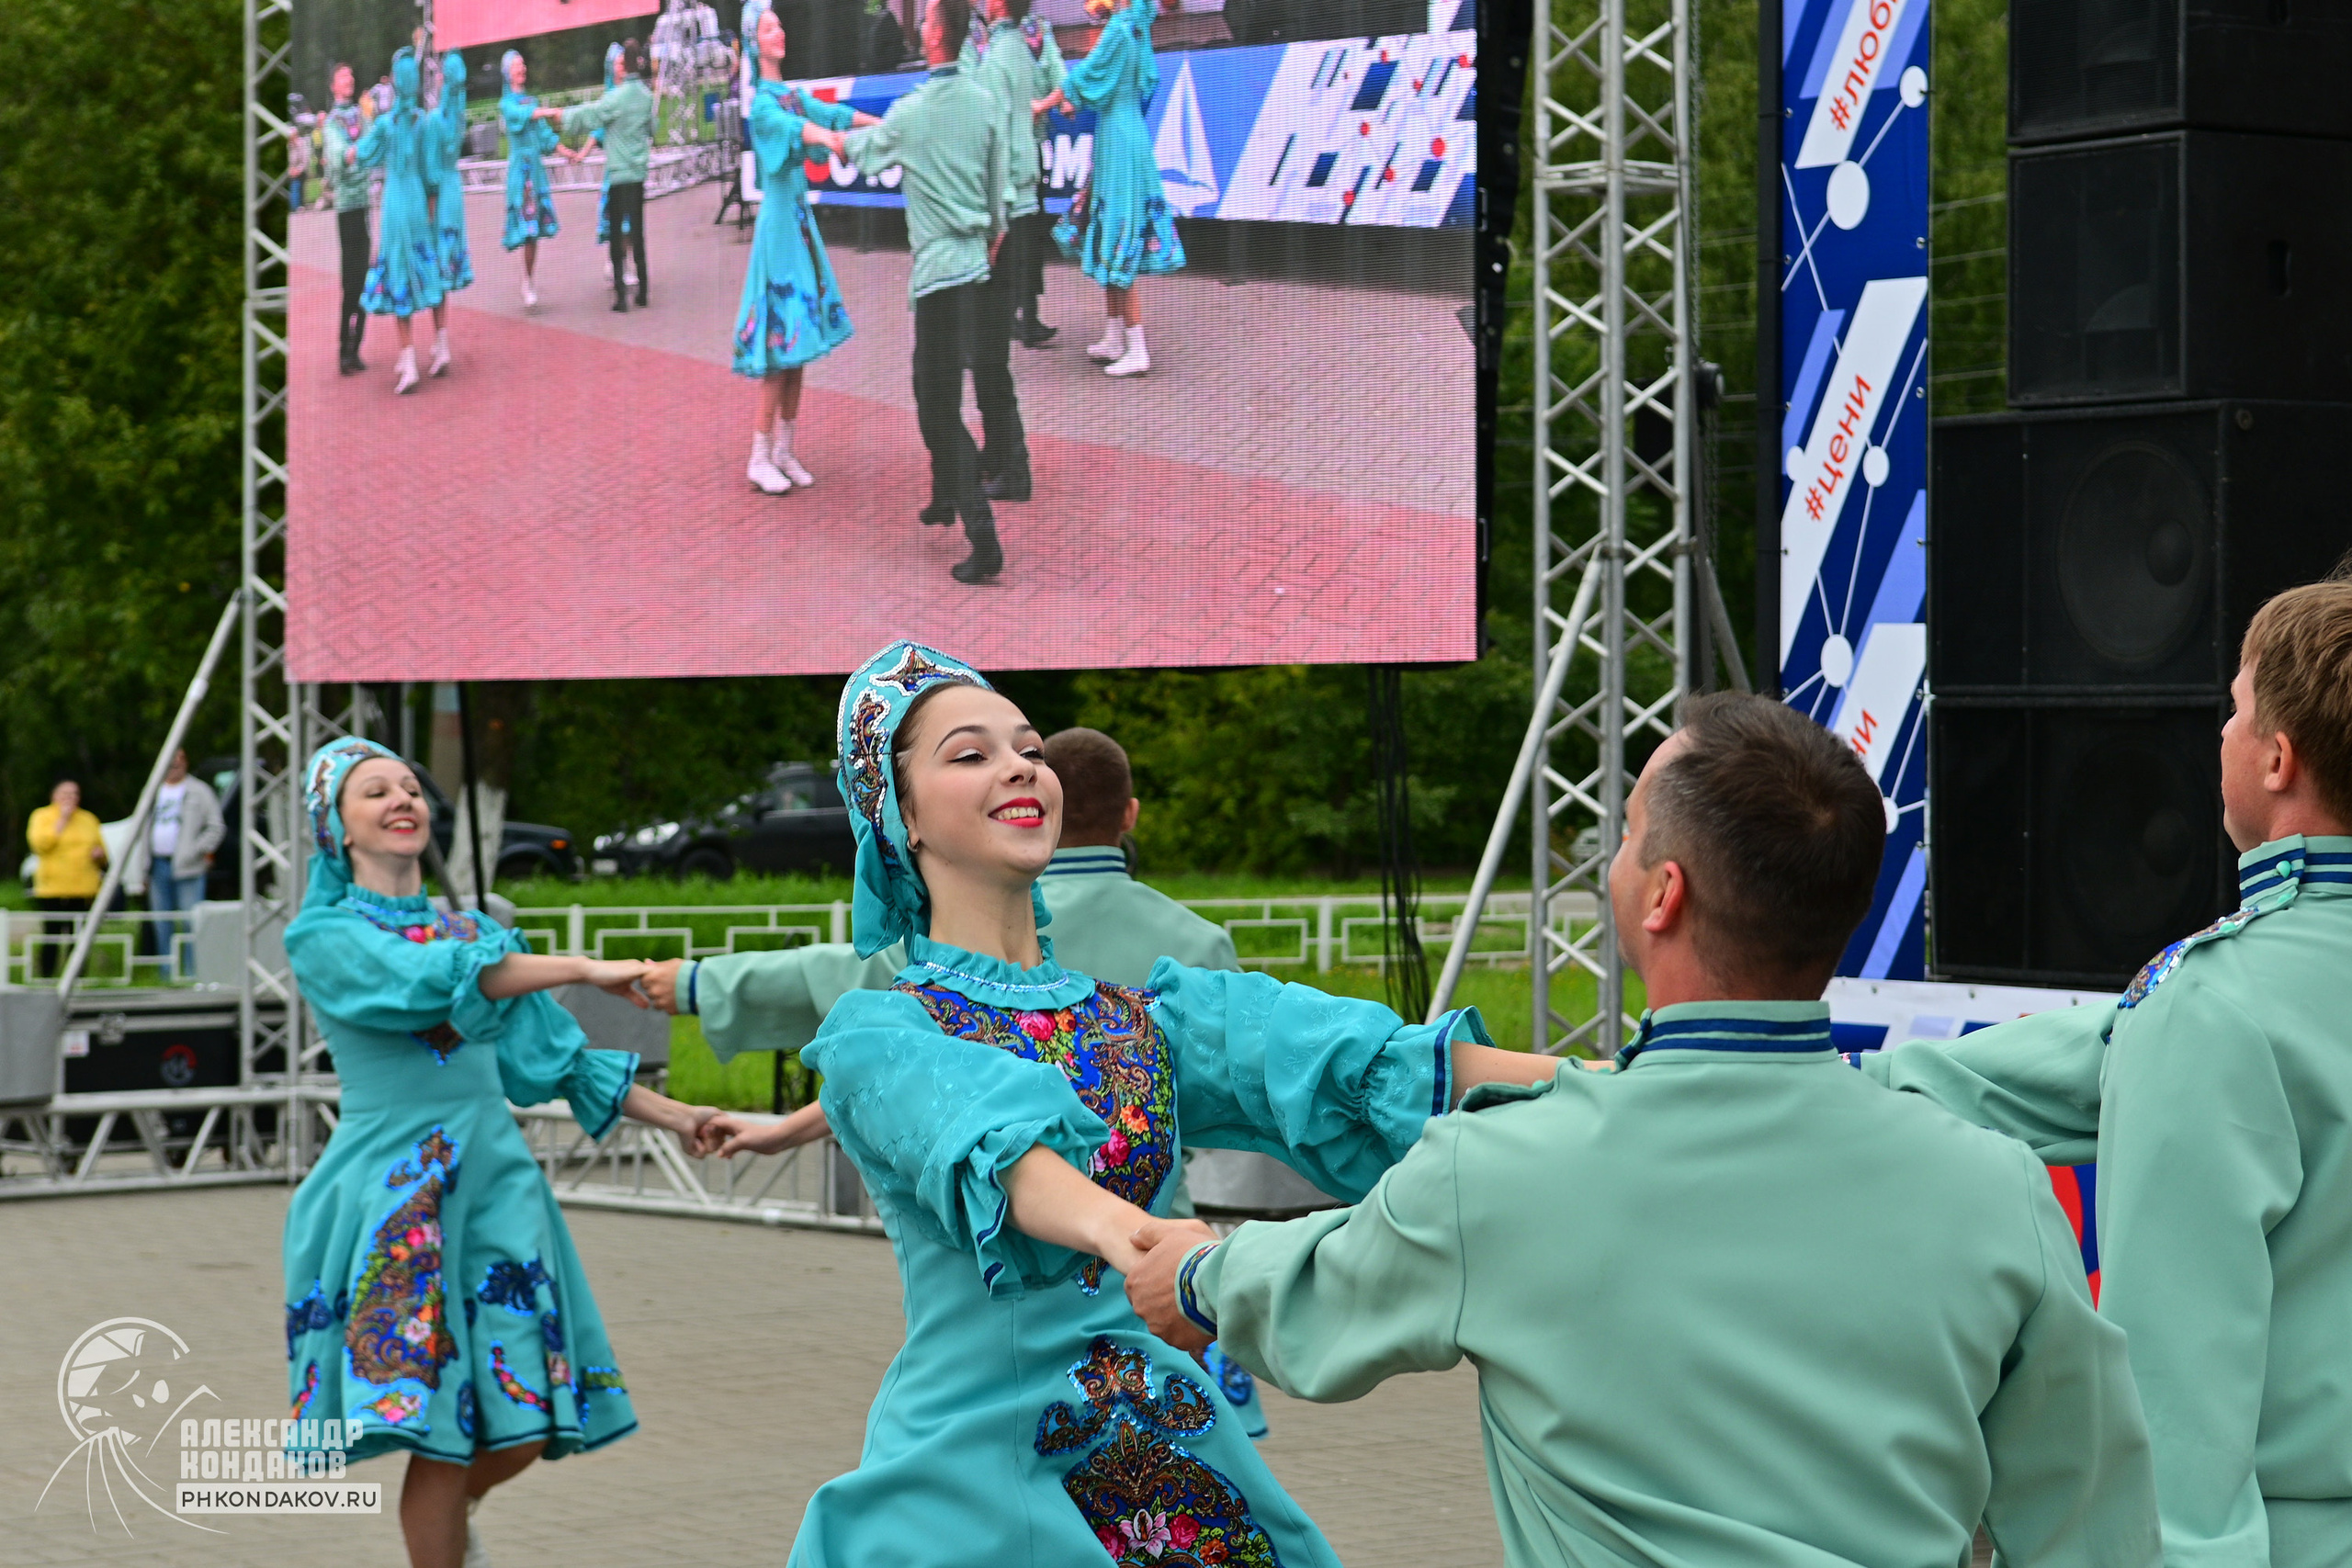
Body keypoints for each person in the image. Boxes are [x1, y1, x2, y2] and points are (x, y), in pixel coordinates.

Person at [1128, 692, 2166, 1568]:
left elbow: (1310, 1292)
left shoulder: (1497, 1170)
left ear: (1665, 894)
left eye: (1625, 834)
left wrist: (1191, 1274)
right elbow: (2088, 1527)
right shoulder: (1995, 1191)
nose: (1613, 860)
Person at [695, 640, 1556, 1566]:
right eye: (970, 753)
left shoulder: (1147, 1018)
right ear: (902, 817)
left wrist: (1617, 1087)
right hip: (977, 1470)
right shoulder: (883, 1033)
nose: (1019, 766)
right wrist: (1142, 1240)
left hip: (1161, 1442)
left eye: (1028, 747)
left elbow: (1373, 1064)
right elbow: (1004, 1154)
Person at [1862, 580, 2352, 1568]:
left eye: (2234, 707)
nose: (2221, 732)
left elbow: (2180, 1433)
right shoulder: (2206, 1010)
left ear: (2276, 758)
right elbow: (2060, 1064)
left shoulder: (2217, 1005)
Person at [281, 739, 718, 1568]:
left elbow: (558, 1058)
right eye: (375, 791)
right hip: (398, 1199)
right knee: (441, 1430)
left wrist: (680, 1115)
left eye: (410, 787)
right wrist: (582, 966)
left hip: (498, 1189)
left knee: (529, 1418)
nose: (401, 799)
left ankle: (453, 1519)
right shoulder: (325, 935)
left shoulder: (477, 933)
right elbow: (433, 979)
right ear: (336, 828)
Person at [842, 0, 1017, 585]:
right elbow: (998, 191)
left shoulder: (916, 111)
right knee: (937, 388)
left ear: (936, 35)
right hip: (975, 270)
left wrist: (817, 130)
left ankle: (983, 538)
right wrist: (990, 238)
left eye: (925, 21)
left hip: (940, 278)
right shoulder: (983, 100)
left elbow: (863, 153)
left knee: (937, 409)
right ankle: (945, 497)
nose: (918, 27)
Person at [731, 1, 876, 494]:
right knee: (780, 347)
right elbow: (801, 129)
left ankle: (784, 451)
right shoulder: (763, 105)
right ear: (754, 43)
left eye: (779, 25)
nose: (780, 33)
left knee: (799, 347)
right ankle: (759, 456)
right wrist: (832, 141)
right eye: (769, 28)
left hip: (797, 224)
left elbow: (830, 113)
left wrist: (880, 125)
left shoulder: (790, 95)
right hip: (779, 231)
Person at [1039, 0, 1181, 377]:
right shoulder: (1135, 26)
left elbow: (1086, 73)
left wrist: (1045, 104)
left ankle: (1136, 345)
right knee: (1110, 226)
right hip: (1124, 133)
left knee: (1118, 230)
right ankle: (1116, 334)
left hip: (1119, 141)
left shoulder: (1120, 29)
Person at [961, 0, 1055, 496]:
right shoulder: (1018, 48)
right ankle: (999, 453)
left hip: (1006, 210)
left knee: (986, 349)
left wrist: (992, 219)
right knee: (988, 345)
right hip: (1020, 202)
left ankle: (1011, 464)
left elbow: (991, 140)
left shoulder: (997, 57)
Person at [354, 49, 446, 395]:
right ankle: (440, 344)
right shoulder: (424, 122)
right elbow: (432, 173)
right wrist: (432, 209)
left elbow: (364, 154)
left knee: (397, 275)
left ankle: (408, 361)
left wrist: (352, 147)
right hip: (418, 203)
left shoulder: (385, 123)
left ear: (394, 82)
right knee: (426, 267)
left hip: (394, 204)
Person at [560, 39, 657, 313]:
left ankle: (621, 296)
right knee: (637, 232)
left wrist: (562, 116)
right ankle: (644, 291)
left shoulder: (615, 98)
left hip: (617, 174)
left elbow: (591, 117)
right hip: (637, 173)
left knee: (616, 235)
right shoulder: (646, 96)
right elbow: (652, 129)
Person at [125, 749, 225, 974]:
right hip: (157, 864)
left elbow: (216, 827)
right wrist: (143, 868)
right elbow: (141, 829)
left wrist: (196, 850)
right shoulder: (152, 790)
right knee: (161, 922)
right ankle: (166, 973)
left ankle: (192, 973)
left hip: (189, 867)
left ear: (186, 762)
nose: (174, 764)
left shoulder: (199, 791)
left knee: (191, 921)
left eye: (179, 759)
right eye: (170, 760)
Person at [421, 51, 473, 379]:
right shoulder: (457, 116)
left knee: (434, 270)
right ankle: (440, 338)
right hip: (455, 193)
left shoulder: (434, 120)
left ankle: (440, 341)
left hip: (439, 196)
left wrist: (429, 199)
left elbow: (430, 168)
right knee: (445, 266)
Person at [498, 51, 562, 310]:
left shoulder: (531, 101)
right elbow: (521, 116)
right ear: (507, 72)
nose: (522, 68)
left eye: (523, 64)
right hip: (520, 173)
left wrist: (565, 151)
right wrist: (547, 111)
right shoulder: (507, 104)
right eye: (517, 65)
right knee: (527, 229)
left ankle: (528, 280)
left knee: (533, 232)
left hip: (535, 171)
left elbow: (544, 136)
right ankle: (527, 281)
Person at [27, 780, 107, 981]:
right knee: (51, 934)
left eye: (74, 793)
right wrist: (61, 821)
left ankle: (76, 977)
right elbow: (39, 845)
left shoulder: (88, 819)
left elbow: (103, 853)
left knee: (78, 935)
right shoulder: (42, 816)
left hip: (84, 888)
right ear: (54, 795)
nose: (70, 798)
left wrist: (99, 855)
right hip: (52, 888)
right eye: (65, 793)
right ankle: (46, 976)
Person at [324, 65, 373, 375]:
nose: (350, 79)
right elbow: (340, 159)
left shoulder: (361, 116)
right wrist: (358, 157)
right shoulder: (332, 123)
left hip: (364, 204)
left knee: (365, 280)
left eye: (352, 75)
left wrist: (358, 157)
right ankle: (344, 349)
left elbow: (371, 149)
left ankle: (356, 350)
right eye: (344, 76)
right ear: (333, 86)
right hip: (347, 210)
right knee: (351, 282)